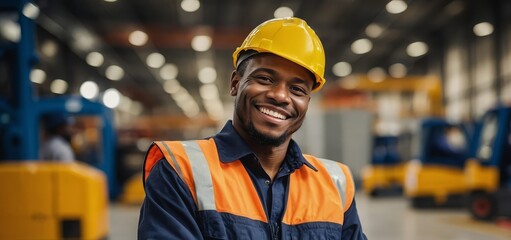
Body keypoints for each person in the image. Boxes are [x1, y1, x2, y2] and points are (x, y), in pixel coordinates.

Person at [138, 17, 368, 239]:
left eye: (297, 90)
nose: (280, 96)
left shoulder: (335, 183)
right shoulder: (180, 170)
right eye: (266, 79)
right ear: (236, 83)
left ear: (307, 102)